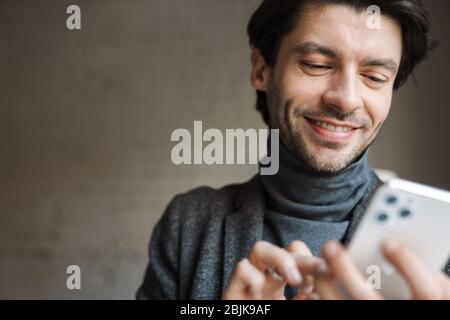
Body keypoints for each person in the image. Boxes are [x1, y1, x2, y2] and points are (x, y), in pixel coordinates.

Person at [136, 0, 450, 300]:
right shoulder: (188, 223)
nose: (346, 99)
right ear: (261, 70)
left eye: (374, 77)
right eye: (317, 65)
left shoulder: (441, 241)